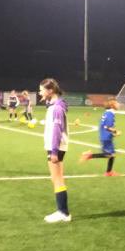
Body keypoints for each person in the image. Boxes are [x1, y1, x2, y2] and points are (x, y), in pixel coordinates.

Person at [40, 78, 71, 223]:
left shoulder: (56, 108)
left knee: (57, 179)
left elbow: (57, 130)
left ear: (50, 90)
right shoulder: (55, 105)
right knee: (56, 178)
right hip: (56, 146)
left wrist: (53, 151)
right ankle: (63, 211)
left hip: (56, 147)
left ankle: (63, 212)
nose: (40, 92)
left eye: (42, 89)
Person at [81, 98, 120, 176]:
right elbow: (106, 127)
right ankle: (89, 155)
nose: (119, 104)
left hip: (105, 136)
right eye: (117, 103)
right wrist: (116, 132)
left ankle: (108, 172)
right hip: (106, 137)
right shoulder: (110, 114)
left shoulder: (106, 113)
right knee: (109, 154)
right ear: (112, 105)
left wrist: (112, 133)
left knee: (111, 154)